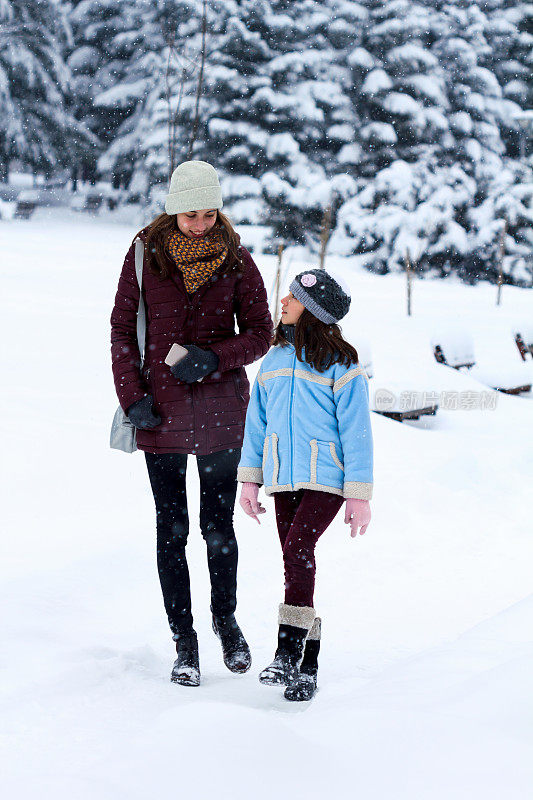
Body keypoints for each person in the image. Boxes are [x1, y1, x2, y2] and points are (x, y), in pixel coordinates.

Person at [111, 160, 273, 686]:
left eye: (208, 213)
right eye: (190, 215)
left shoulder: (236, 259)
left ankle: (226, 623)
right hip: (159, 414)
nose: (200, 224)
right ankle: (184, 641)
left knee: (217, 527)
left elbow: (261, 333)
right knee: (172, 530)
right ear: (172, 210)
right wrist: (132, 398)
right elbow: (120, 331)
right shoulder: (144, 257)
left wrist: (217, 357)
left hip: (223, 414)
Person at [237, 268, 373, 701]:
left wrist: (358, 495)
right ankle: (308, 666)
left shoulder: (342, 364)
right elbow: (255, 426)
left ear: (311, 311)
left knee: (298, 551)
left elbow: (356, 431)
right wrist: (249, 482)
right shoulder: (272, 361)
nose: (283, 304)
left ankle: (286, 653)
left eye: (292, 299)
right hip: (282, 477)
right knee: (295, 561)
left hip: (327, 479)